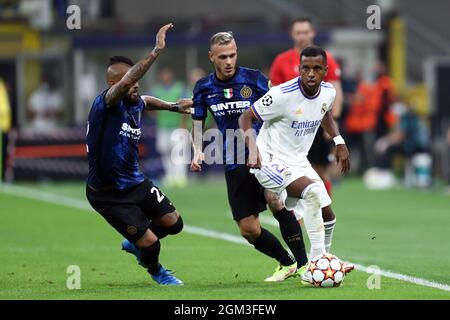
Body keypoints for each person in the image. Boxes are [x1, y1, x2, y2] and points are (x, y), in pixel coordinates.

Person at [191, 31, 309, 282]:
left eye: (232, 55)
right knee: (249, 229)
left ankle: (304, 265)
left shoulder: (254, 80)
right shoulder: (203, 87)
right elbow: (198, 121)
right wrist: (197, 149)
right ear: (212, 56)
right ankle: (286, 262)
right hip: (234, 160)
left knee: (275, 199)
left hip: (265, 154)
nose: (229, 61)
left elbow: (280, 106)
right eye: (223, 56)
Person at [85, 23, 192, 286]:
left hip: (135, 182)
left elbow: (148, 100)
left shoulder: (135, 102)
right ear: (115, 84)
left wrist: (174, 107)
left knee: (173, 223)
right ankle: (157, 271)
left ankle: (136, 243)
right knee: (150, 243)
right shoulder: (106, 104)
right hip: (108, 194)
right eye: (130, 81)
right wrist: (156, 51)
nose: (135, 86)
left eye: (137, 82)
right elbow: (129, 83)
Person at [239, 46, 352, 282]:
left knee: (328, 214)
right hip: (268, 161)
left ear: (325, 71)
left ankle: (325, 259)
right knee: (311, 193)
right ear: (299, 69)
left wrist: (339, 140)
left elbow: (324, 112)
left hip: (298, 161)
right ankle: (315, 265)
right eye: (306, 68)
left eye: (317, 69)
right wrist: (252, 148)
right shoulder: (282, 94)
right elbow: (246, 117)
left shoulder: (328, 92)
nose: (311, 73)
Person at [270, 17, 344, 253]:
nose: (302, 35)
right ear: (293, 35)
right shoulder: (282, 61)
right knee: (300, 174)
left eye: (305, 31)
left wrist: (333, 129)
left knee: (320, 172)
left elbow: (335, 93)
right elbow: (274, 94)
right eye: (298, 32)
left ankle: (319, 215)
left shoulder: (326, 58)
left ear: (312, 33)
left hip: (317, 126)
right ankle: (305, 216)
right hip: (292, 132)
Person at [151, 67, 189, 188]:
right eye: (163, 74)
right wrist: (157, 117)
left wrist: (183, 123)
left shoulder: (180, 87)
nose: (165, 77)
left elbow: (186, 105)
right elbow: (148, 105)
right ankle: (170, 176)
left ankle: (180, 177)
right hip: (163, 126)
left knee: (178, 152)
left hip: (177, 126)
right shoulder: (157, 90)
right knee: (165, 151)